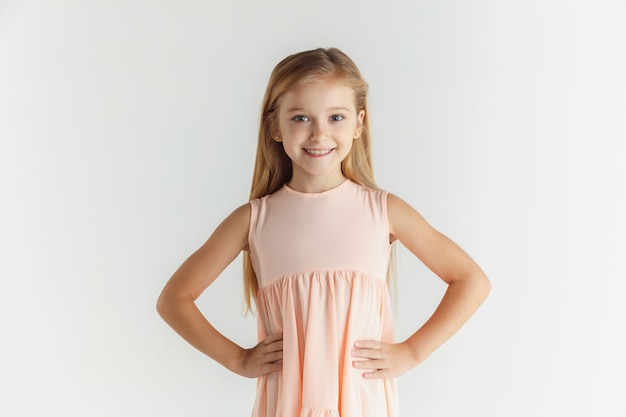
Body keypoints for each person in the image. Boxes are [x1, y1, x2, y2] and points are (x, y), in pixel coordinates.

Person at [157, 47, 491, 417]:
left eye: (336, 117)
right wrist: (238, 360)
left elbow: (470, 280)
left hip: (362, 405)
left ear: (359, 123)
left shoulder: (383, 211)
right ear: (274, 127)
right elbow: (174, 299)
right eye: (301, 117)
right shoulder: (254, 219)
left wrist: (412, 352)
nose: (319, 134)